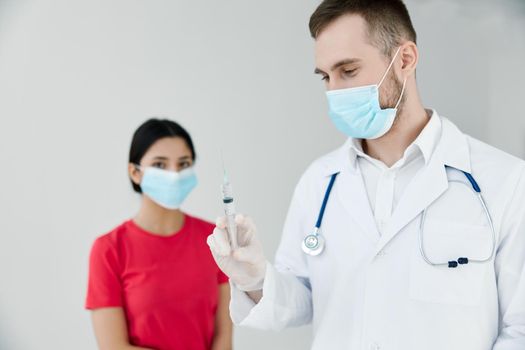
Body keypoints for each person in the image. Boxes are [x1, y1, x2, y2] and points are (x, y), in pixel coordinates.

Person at [206, 1, 525, 349]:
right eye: (326, 76)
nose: (334, 92)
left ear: (405, 59)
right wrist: (255, 277)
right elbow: (301, 300)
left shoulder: (504, 182)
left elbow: (520, 328)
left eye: (349, 70)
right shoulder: (321, 181)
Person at [86, 119, 232, 350]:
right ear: (135, 172)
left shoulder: (214, 239)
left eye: (183, 164)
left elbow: (224, 337)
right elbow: (113, 346)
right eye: (160, 165)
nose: (174, 174)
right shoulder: (110, 249)